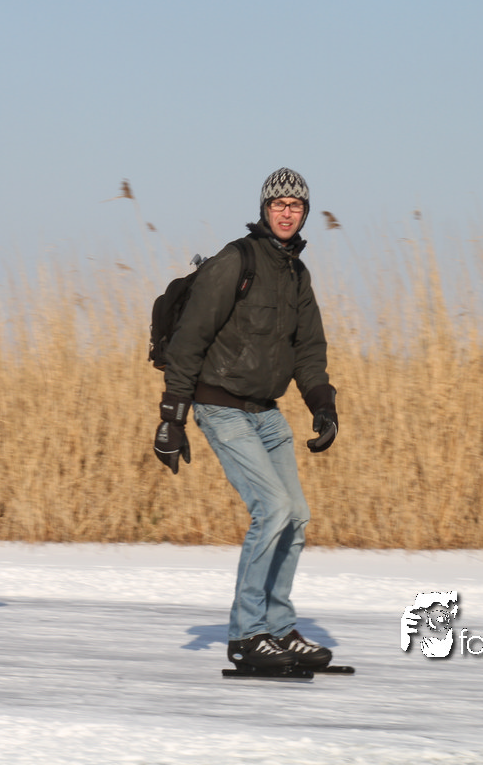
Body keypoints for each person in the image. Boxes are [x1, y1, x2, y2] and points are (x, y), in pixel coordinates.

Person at [153, 167, 338, 675]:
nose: (286, 212)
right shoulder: (236, 261)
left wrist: (322, 404)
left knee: (296, 516)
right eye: (278, 204)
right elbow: (189, 340)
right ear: (264, 209)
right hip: (221, 405)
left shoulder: (297, 274)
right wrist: (173, 417)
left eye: (295, 206)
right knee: (272, 508)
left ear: (304, 213)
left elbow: (309, 349)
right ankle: (247, 635)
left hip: (265, 412)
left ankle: (278, 628)